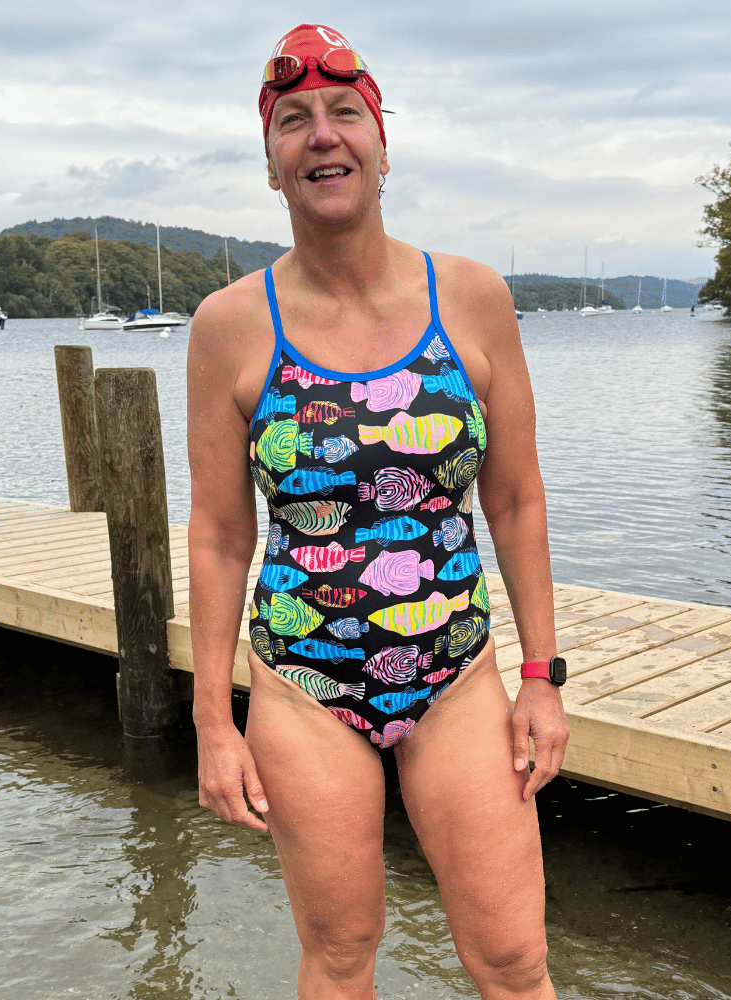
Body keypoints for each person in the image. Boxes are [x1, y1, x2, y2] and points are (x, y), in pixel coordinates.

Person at [187, 23, 570, 999]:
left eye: (345, 114)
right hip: (302, 686)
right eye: (294, 122)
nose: (322, 135)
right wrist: (210, 722)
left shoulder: (472, 299)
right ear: (270, 165)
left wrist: (540, 678)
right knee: (340, 955)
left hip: (456, 675)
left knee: (513, 959)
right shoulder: (229, 325)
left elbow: (517, 501)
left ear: (383, 147)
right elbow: (222, 534)